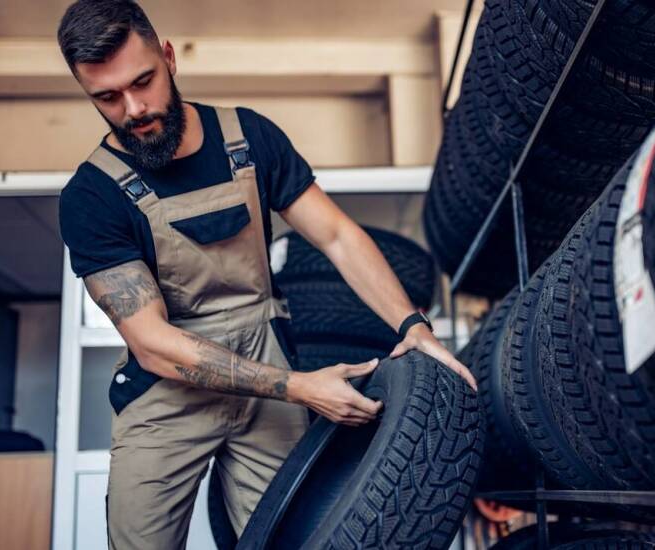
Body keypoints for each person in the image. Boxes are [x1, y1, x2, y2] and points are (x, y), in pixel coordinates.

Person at [55, 1, 476, 548]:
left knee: (287, 539)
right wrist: (299, 387)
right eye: (107, 97)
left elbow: (337, 236)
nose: (134, 109)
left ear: (168, 57)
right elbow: (154, 344)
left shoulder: (249, 138)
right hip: (167, 390)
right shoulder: (91, 196)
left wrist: (413, 326)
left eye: (143, 81)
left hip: (265, 359)